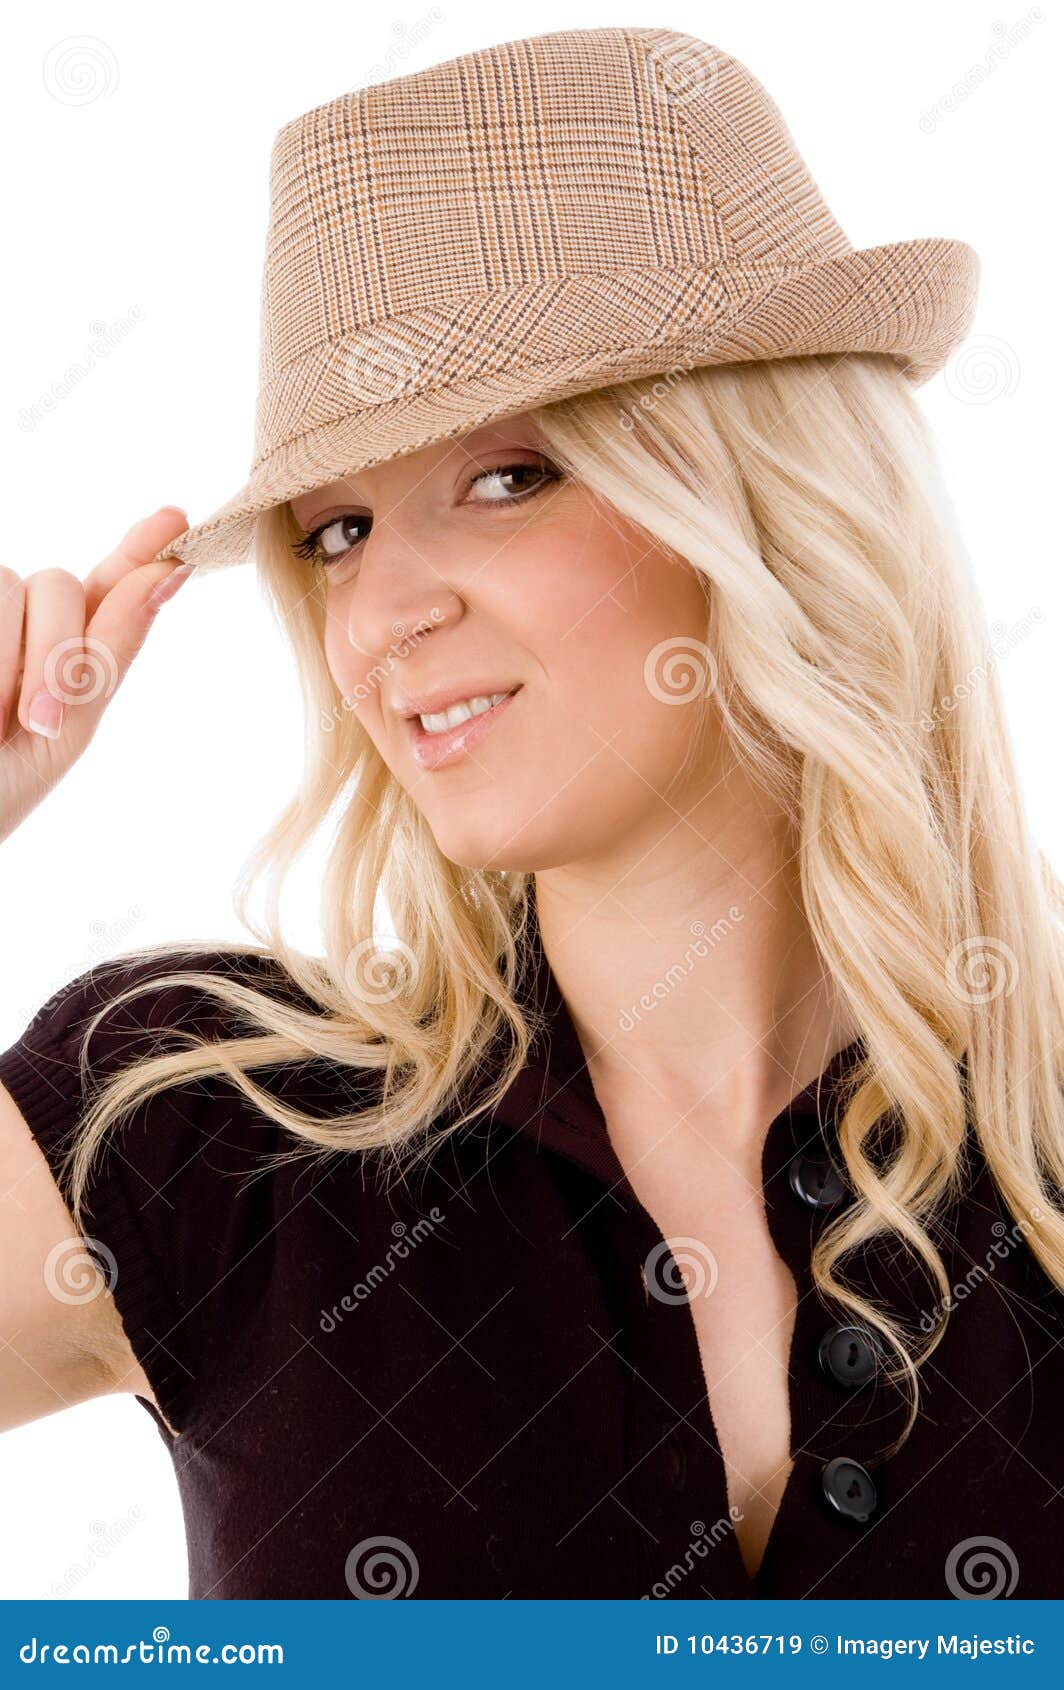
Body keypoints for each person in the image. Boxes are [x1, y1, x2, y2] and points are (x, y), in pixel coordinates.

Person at [2, 26, 1063, 1601]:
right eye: (339, 530)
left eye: (509, 477)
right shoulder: (204, 1126)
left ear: (768, 497)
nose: (384, 613)